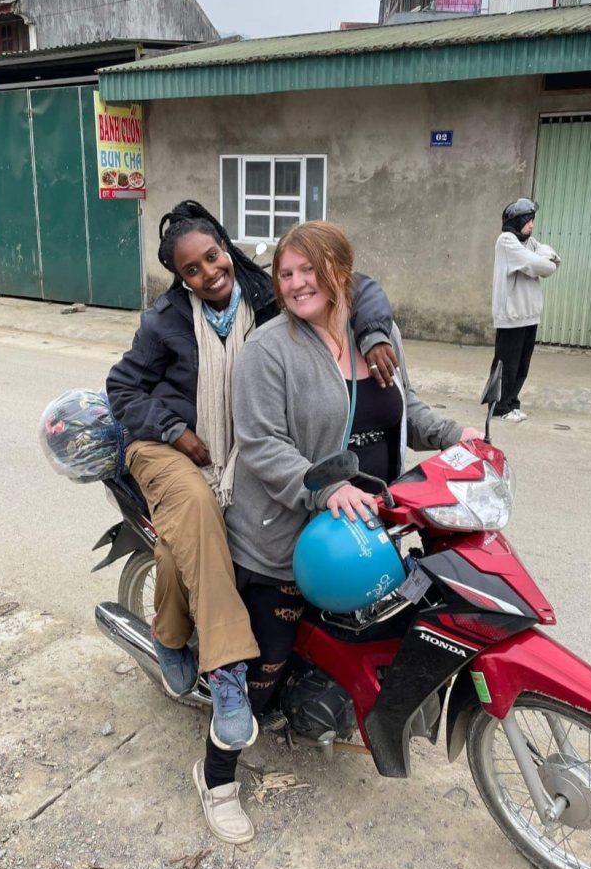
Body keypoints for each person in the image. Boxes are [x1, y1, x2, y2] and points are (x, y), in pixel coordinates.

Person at [191, 221, 482, 844]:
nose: (295, 284)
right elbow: (261, 442)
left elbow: (409, 410)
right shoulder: (270, 348)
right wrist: (324, 487)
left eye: (307, 271)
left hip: (367, 525)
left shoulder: (377, 336)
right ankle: (216, 774)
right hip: (285, 535)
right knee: (261, 670)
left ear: (340, 272)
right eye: (285, 274)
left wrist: (461, 438)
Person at [105, 202, 397, 780]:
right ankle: (228, 676)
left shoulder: (265, 293)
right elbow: (122, 387)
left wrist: (377, 330)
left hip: (236, 449)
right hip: (170, 446)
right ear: (180, 277)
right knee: (198, 513)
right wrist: (173, 431)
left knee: (187, 538)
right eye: (191, 269)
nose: (209, 273)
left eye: (213, 257)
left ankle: (178, 634)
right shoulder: (164, 321)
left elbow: (352, 285)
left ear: (225, 248)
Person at [491, 198, 560, 422]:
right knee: (507, 364)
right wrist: (543, 261)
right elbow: (538, 265)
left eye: (532, 220)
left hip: (530, 315)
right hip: (511, 315)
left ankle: (512, 402)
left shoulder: (529, 242)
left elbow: (551, 258)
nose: (531, 225)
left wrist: (543, 260)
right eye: (528, 221)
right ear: (516, 221)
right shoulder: (506, 241)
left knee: (522, 364)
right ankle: (500, 407)